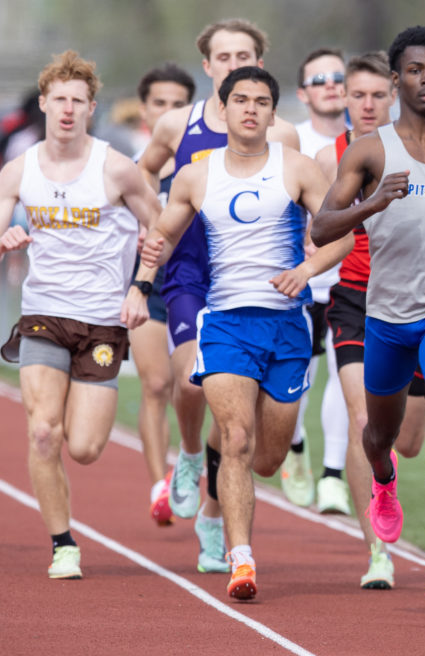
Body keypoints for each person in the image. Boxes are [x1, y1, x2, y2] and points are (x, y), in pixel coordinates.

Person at [134, 66, 347, 600]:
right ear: (223, 109)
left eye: (261, 101)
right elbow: (159, 236)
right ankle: (241, 557)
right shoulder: (197, 176)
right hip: (226, 322)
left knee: (268, 458)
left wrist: (306, 270)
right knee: (235, 438)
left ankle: (229, 502)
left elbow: (343, 235)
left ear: (273, 113)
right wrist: (139, 286)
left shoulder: (295, 168)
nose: (250, 109)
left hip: (288, 326)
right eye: (241, 100)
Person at [0, 51, 160, 579]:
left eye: (78, 102)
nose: (68, 110)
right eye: (59, 100)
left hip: (102, 319)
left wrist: (140, 289)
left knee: (84, 447)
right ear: (43, 103)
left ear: (92, 108)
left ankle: (66, 531)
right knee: (43, 433)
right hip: (43, 314)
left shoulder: (116, 168)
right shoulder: (20, 169)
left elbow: (161, 234)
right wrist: (1, 241)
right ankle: (63, 545)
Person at [313, 25, 425, 602]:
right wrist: (375, 201)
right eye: (414, 70)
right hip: (385, 315)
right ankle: (383, 483)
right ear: (395, 79)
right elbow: (320, 227)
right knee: (377, 435)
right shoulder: (370, 150)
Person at [137, 19, 299, 575]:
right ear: (207, 66)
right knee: (188, 382)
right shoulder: (174, 125)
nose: (233, 63)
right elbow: (140, 180)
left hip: (256, 287)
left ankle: (211, 509)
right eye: (224, 56)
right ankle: (186, 457)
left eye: (245, 55)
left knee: (239, 425)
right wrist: (151, 228)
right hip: (190, 273)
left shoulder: (281, 137)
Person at [313, 50, 405, 588]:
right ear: (343, 98)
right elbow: (325, 231)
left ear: (393, 96)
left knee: (408, 437)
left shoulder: (419, 152)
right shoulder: (332, 158)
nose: (367, 105)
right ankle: (378, 552)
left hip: (412, 301)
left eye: (377, 95)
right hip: (353, 299)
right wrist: (305, 269)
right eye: (357, 95)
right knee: (362, 420)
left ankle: (390, 487)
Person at [283, 46, 350, 514]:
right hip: (302, 280)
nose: (330, 83)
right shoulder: (293, 142)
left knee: (345, 378)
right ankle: (297, 446)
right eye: (319, 78)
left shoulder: (366, 140)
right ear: (304, 92)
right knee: (300, 379)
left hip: (353, 278)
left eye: (337, 76)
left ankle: (332, 475)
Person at [131, 62, 195, 526]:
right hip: (147, 284)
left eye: (178, 104)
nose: (169, 111)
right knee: (155, 384)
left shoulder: (206, 158)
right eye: (160, 103)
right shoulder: (132, 165)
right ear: (144, 109)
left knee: (190, 385)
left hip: (195, 285)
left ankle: (192, 462)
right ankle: (160, 483)